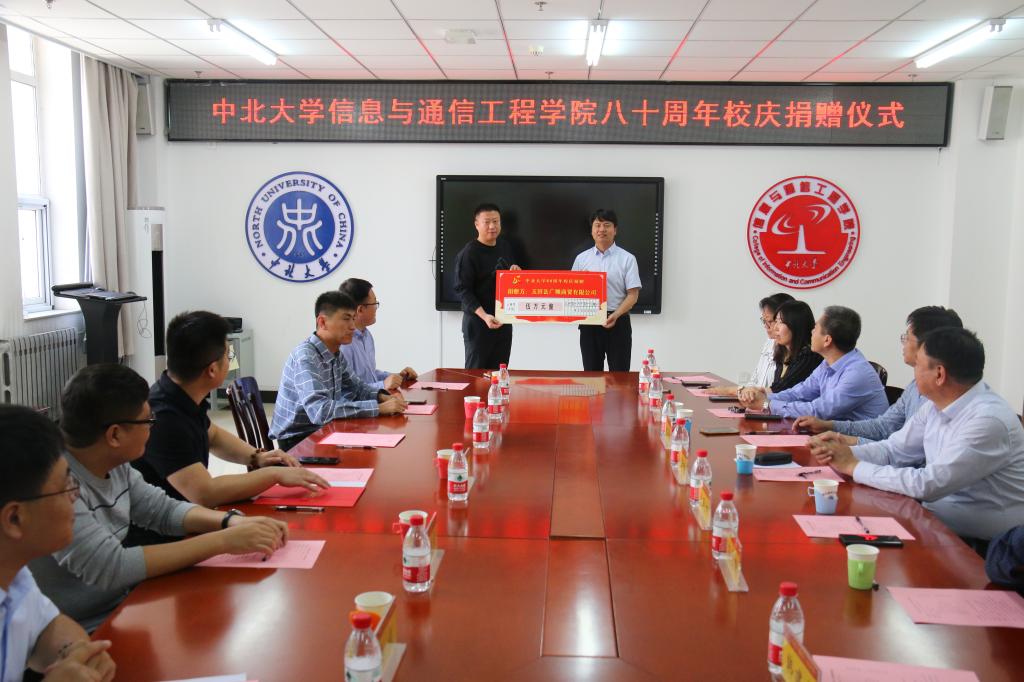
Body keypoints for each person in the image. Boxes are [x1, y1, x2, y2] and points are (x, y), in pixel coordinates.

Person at [30, 364, 289, 632]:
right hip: (77, 632)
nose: (152, 429)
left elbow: (161, 510)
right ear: (114, 435)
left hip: (120, 609)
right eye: (147, 421)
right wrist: (224, 541)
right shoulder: (56, 486)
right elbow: (113, 566)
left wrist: (230, 522)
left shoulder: (113, 462)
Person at [810, 327, 1024, 543]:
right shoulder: (934, 405)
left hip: (985, 546)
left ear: (939, 374)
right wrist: (843, 453)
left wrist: (853, 466)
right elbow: (893, 450)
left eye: (918, 365)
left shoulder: (988, 421)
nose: (913, 373)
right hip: (930, 520)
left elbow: (928, 484)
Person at [136, 311, 329, 509]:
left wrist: (258, 456)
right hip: (165, 524)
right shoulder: (164, 418)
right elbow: (205, 493)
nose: (230, 361)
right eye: (228, 356)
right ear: (212, 370)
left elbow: (213, 435)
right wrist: (275, 475)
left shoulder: (178, 392)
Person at [0, 405, 116, 682]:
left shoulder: (14, 573)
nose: (75, 497)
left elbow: (46, 626)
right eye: (66, 487)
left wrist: (78, 652)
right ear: (14, 518)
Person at [795, 306, 963, 442]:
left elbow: (905, 455)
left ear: (929, 345)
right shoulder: (915, 386)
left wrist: (844, 445)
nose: (903, 343)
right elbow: (883, 427)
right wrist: (830, 427)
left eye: (907, 337)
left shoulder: (945, 400)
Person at [270, 291, 407, 451]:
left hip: (322, 429)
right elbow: (320, 411)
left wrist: (383, 398)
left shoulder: (335, 353)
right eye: (346, 319)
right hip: (297, 440)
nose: (353, 327)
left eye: (353, 319)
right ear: (322, 322)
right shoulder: (306, 357)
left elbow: (358, 388)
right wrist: (378, 408)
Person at [738, 305, 888, 420]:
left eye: (815, 328)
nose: (811, 332)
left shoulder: (856, 373)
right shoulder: (827, 364)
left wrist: (766, 404)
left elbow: (818, 411)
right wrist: (760, 396)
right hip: (831, 438)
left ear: (827, 340)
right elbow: (799, 393)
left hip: (858, 444)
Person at [571, 208, 641, 371]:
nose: (602, 229)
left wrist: (615, 315)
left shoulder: (627, 259)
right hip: (590, 323)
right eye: (597, 225)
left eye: (607, 225)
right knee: (591, 376)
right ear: (592, 230)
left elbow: (633, 295)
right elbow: (572, 292)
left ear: (615, 230)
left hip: (618, 322)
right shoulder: (581, 259)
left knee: (620, 376)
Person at [453, 203, 521, 369]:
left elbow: (509, 282)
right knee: (476, 375)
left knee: (500, 373)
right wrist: (484, 316)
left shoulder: (504, 246)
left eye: (496, 221)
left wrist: (516, 273)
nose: (492, 226)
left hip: (503, 322)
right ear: (477, 224)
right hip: (478, 324)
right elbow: (462, 290)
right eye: (487, 222)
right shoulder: (469, 253)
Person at [338, 278, 418, 391]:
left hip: (374, 398)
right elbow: (346, 391)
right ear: (360, 310)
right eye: (374, 303)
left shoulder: (366, 335)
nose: (376, 308)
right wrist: (383, 385)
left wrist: (398, 377)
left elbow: (369, 375)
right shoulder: (343, 343)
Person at [710, 292, 793, 396]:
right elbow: (754, 380)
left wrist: (733, 391)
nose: (766, 326)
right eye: (764, 321)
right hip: (757, 401)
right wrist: (744, 394)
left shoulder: (798, 355)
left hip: (768, 402)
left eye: (770, 321)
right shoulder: (769, 342)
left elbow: (778, 392)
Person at [768, 300, 822, 393]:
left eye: (781, 322)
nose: (775, 327)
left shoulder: (809, 355)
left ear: (796, 325)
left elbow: (781, 389)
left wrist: (753, 392)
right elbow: (776, 388)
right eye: (776, 321)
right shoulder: (783, 353)